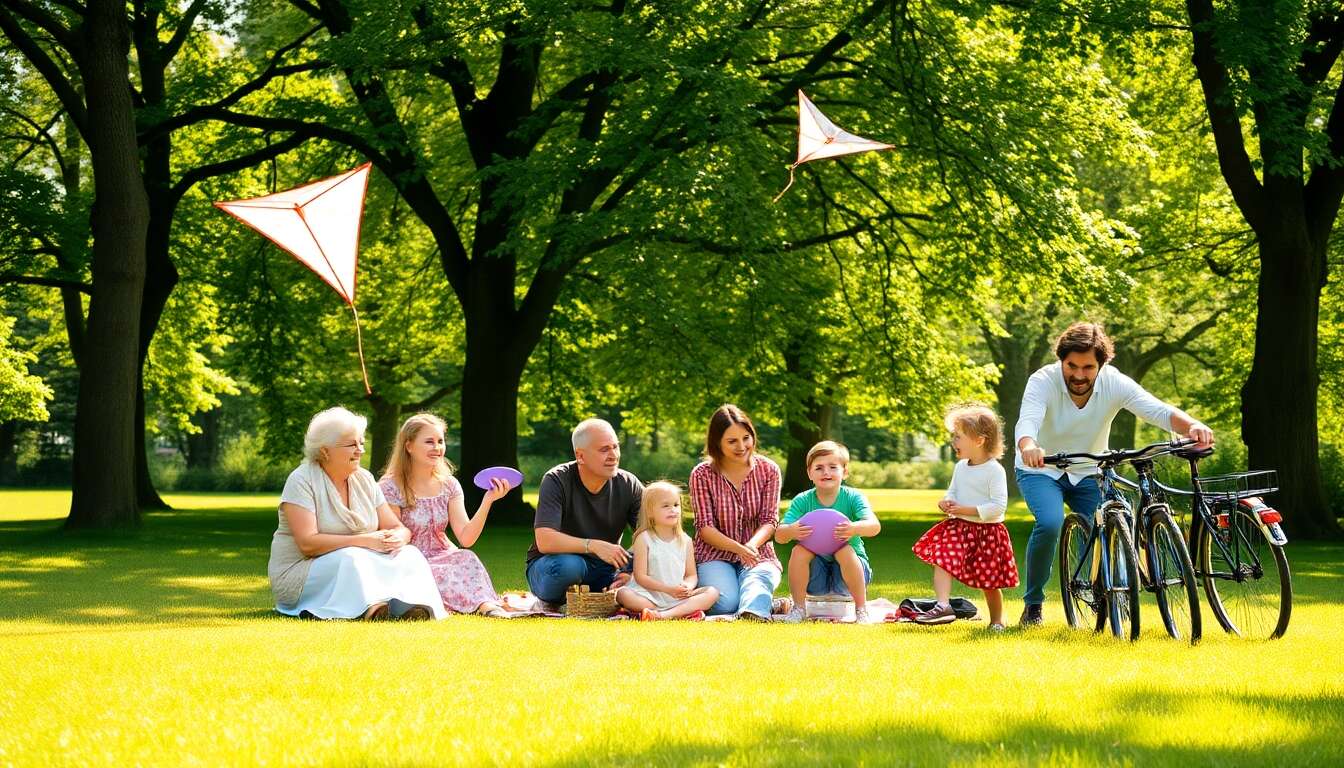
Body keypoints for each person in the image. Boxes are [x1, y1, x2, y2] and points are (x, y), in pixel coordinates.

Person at [1015, 322, 1215, 626]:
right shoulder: (1043, 380)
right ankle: (1033, 604)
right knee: (1051, 522)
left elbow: (1155, 409)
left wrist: (1191, 426)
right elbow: (1028, 419)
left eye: (1088, 367)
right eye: (1072, 366)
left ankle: (1108, 592)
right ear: (1061, 361)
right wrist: (1029, 444)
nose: (1079, 375)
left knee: (1113, 521)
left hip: (1090, 468)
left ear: (1101, 365)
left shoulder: (1114, 382)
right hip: (1041, 468)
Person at [268, 406, 445, 620]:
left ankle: (410, 607)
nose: (360, 450)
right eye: (352, 444)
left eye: (361, 442)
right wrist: (365, 541)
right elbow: (308, 544)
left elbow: (398, 527)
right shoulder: (301, 480)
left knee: (409, 554)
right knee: (352, 558)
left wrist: (398, 538)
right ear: (325, 451)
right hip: (301, 573)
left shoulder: (365, 479)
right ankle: (368, 609)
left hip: (357, 558)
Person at [379, 413, 515, 617]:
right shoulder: (390, 486)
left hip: (444, 555)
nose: (437, 448)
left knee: (466, 557)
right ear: (408, 446)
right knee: (437, 573)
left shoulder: (449, 484)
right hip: (409, 559)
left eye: (440, 441)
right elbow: (394, 537)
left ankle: (486, 607)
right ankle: (463, 606)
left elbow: (466, 538)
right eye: (429, 442)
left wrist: (488, 500)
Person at [912, 404, 1017, 630]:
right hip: (959, 528)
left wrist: (965, 509)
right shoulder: (961, 467)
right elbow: (953, 492)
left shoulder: (994, 470)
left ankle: (997, 620)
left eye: (958, 437)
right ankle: (942, 605)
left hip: (988, 533)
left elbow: (998, 507)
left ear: (979, 440)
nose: (954, 442)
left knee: (988, 582)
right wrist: (946, 502)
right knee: (942, 557)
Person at [526, 418, 643, 607]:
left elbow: (650, 534)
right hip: (553, 566)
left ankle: (599, 596)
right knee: (570, 567)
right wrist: (593, 545)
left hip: (606, 568)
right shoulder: (556, 480)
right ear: (580, 456)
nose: (614, 455)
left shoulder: (629, 484)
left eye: (615, 447)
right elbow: (545, 540)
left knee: (655, 564)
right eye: (604, 449)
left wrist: (627, 570)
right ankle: (553, 602)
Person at [689, 404, 782, 620]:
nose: (742, 446)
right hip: (714, 554)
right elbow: (705, 527)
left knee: (757, 581)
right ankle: (765, 601)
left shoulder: (769, 470)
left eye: (746, 438)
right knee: (724, 603)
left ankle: (755, 611)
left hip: (757, 552)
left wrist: (750, 546)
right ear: (717, 443)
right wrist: (737, 549)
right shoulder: (701, 474)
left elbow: (770, 520)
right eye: (732, 441)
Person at [775, 441, 880, 623]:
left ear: (844, 472)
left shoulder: (853, 497)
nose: (826, 472)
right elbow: (779, 536)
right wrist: (792, 531)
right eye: (819, 468)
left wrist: (854, 528)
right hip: (816, 578)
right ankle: (798, 609)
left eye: (833, 467)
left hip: (851, 575)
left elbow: (874, 526)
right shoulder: (803, 500)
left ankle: (861, 610)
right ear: (809, 473)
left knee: (844, 550)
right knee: (799, 550)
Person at [615, 481, 720, 620]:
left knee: (712, 592)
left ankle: (663, 615)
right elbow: (641, 577)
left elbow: (691, 575)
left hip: (678, 597)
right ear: (650, 512)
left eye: (676, 505)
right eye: (666, 506)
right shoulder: (644, 538)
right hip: (649, 595)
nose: (673, 510)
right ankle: (678, 613)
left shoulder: (686, 540)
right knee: (623, 594)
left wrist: (687, 586)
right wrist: (668, 590)